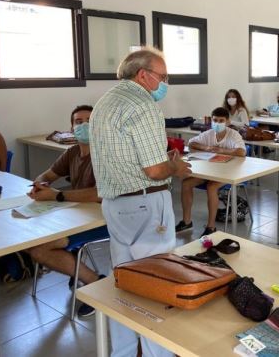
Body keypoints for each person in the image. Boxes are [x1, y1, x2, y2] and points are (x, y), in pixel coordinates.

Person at [90, 47, 192, 357]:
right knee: (155, 284)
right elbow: (155, 170)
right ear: (143, 75)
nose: (165, 83)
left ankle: (122, 351)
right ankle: (156, 353)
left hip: (115, 204)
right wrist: (175, 167)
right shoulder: (143, 104)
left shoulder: (105, 102)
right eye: (162, 76)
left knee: (125, 282)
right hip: (146, 204)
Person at [26, 105, 106, 318]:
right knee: (27, 237)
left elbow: (100, 194)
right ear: (71, 127)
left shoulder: (106, 152)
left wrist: (56, 195)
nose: (84, 125)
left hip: (101, 219)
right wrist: (39, 185)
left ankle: (97, 283)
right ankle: (79, 271)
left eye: (89, 120)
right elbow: (47, 175)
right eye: (78, 122)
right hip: (74, 214)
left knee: (39, 249)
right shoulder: (72, 153)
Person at [178, 107, 246, 235]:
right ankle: (186, 222)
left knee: (211, 187)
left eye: (221, 120)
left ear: (227, 122)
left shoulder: (233, 135)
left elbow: (242, 152)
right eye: (215, 120)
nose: (217, 123)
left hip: (228, 172)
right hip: (210, 170)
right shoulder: (209, 134)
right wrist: (208, 147)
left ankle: (211, 227)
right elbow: (192, 144)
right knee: (186, 183)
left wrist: (222, 151)